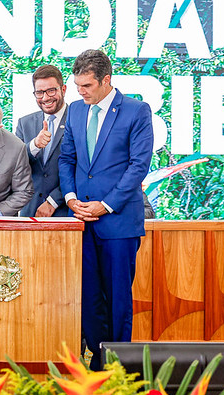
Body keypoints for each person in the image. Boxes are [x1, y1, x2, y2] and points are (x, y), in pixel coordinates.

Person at [58, 49, 153, 370]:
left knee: (117, 301)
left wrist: (106, 205)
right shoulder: (73, 111)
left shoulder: (137, 111)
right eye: (77, 85)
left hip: (118, 224)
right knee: (88, 298)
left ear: (106, 80)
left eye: (86, 85)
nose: (79, 91)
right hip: (80, 221)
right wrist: (71, 199)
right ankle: (96, 366)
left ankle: (118, 368)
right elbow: (67, 159)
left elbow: (138, 167)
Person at [15, 65, 70, 217]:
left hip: (65, 211)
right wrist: (34, 145)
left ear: (63, 89)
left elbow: (81, 170)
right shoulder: (24, 123)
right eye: (39, 92)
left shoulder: (79, 120)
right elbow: (14, 165)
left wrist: (53, 201)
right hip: (30, 212)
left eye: (51, 91)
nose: (45, 98)